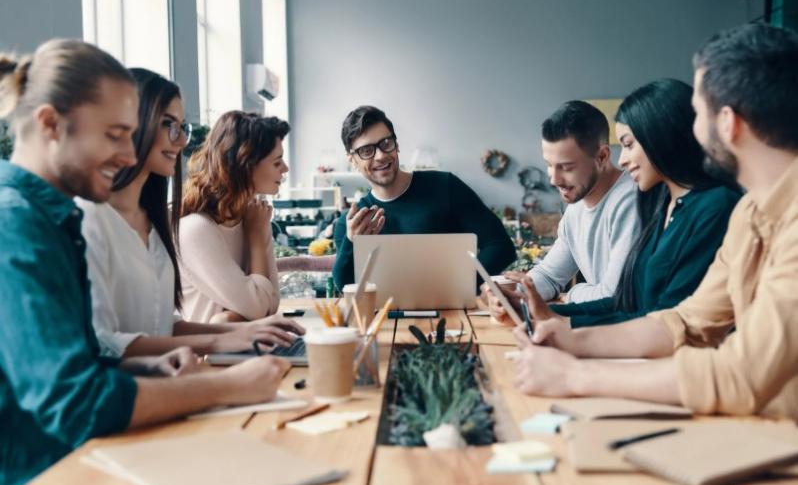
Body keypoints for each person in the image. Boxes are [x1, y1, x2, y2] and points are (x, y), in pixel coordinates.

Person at [0, 39, 288, 485]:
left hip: (87, 466)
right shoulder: (15, 225)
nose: (130, 156)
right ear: (51, 125)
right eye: (115, 135)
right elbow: (74, 403)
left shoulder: (54, 218)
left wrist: (148, 369)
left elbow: (84, 358)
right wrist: (226, 387)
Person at [513, 24, 798, 420]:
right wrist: (574, 341)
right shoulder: (751, 213)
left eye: (698, 113)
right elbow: (686, 321)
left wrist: (578, 375)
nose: (692, 129)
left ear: (728, 123)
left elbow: (741, 374)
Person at [77, 68, 303, 357]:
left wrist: (244, 332)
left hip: (173, 377)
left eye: (183, 127)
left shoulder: (154, 221)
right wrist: (224, 336)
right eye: (170, 125)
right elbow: (103, 345)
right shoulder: (91, 220)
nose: (183, 140)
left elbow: (164, 325)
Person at [519, 79, 741, 328]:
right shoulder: (663, 203)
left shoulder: (713, 206)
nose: (622, 159)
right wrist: (551, 314)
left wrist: (566, 323)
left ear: (660, 138)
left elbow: (667, 322)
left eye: (628, 145)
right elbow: (629, 302)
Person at [331, 105, 516, 291]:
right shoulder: (352, 224)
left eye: (386, 143)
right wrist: (351, 241)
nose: (380, 156)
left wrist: (459, 285)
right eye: (366, 151)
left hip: (452, 315)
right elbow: (345, 286)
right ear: (353, 160)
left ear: (397, 145)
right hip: (385, 318)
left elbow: (500, 246)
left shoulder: (445, 186)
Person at [485, 100, 639, 323]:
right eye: (549, 164)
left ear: (602, 157)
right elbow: (549, 275)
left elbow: (615, 296)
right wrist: (515, 295)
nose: (554, 179)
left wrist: (573, 294)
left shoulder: (629, 201)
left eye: (566, 167)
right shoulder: (576, 205)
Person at [179, 111, 289, 323]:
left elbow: (271, 303)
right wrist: (256, 237)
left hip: (247, 347)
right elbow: (259, 307)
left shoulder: (252, 215)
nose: (285, 168)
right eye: (277, 162)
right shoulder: (197, 229)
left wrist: (233, 316)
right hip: (208, 355)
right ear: (245, 165)